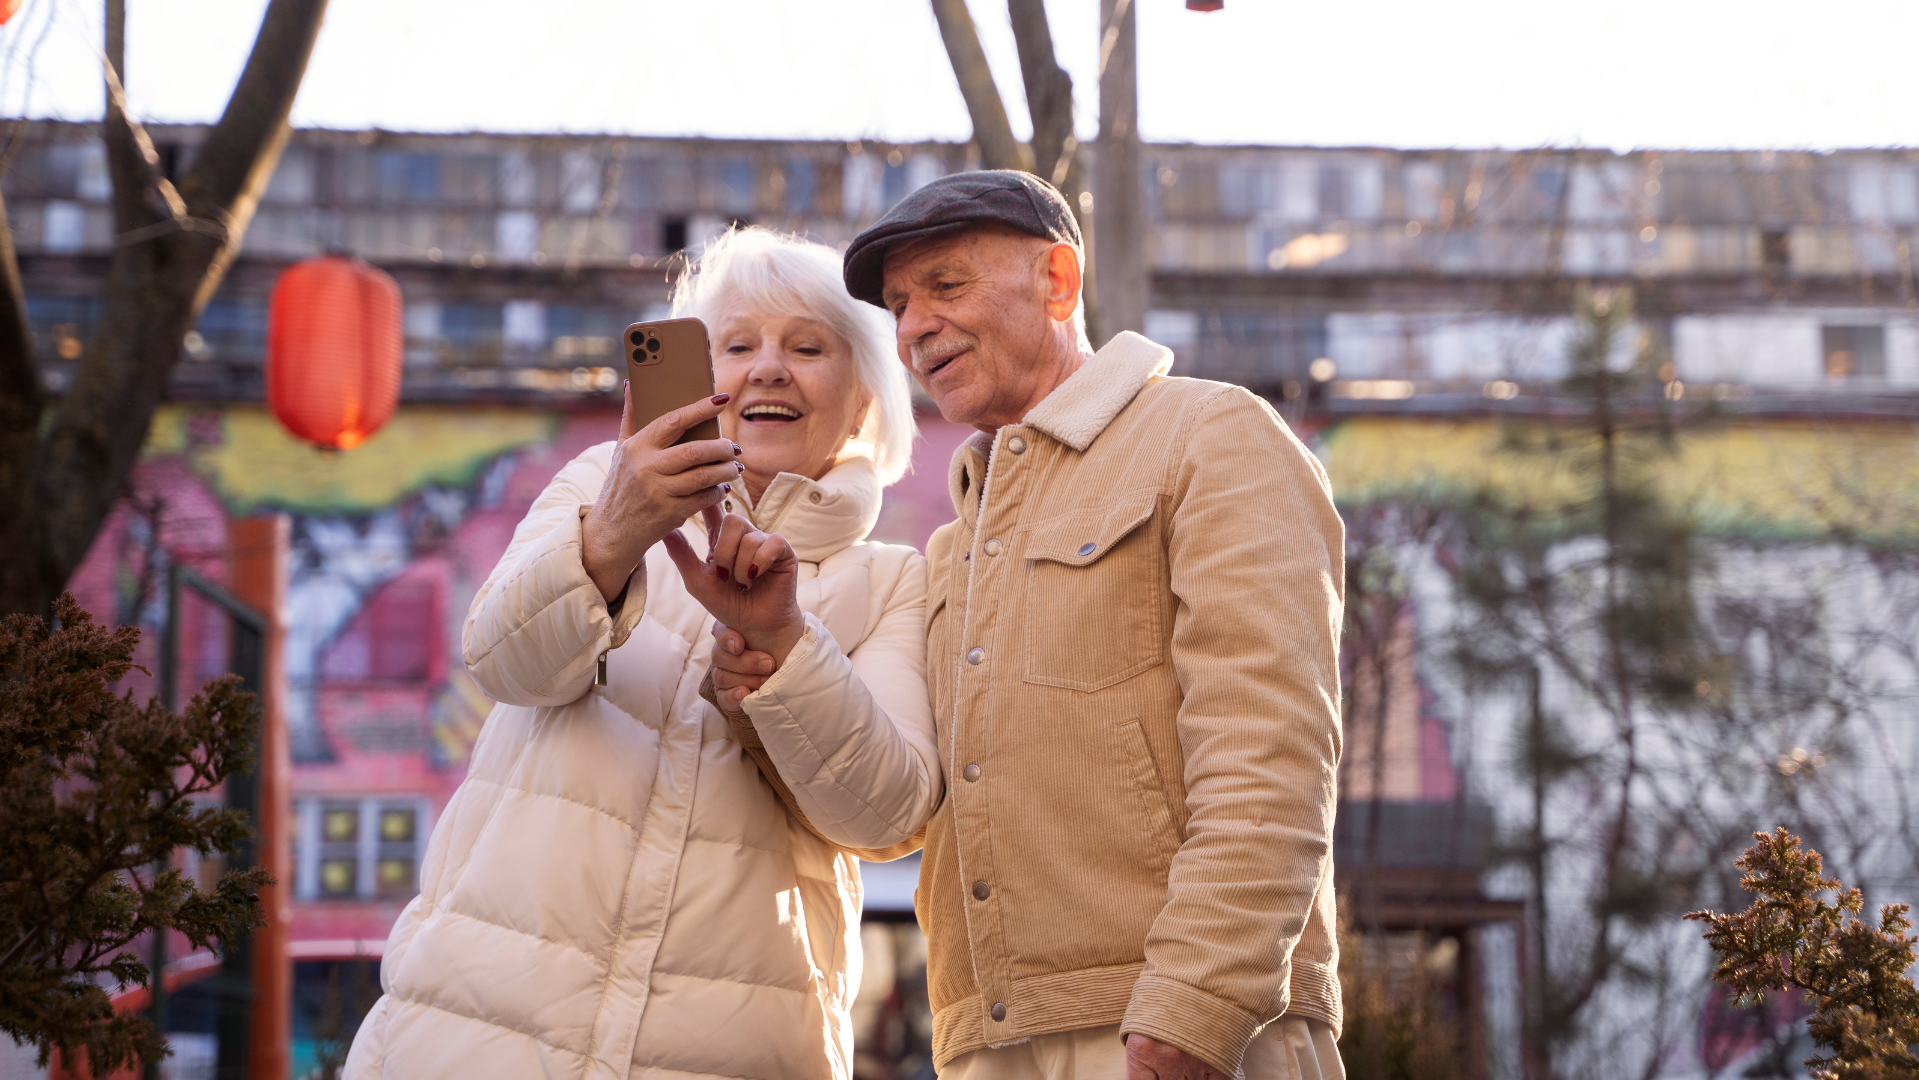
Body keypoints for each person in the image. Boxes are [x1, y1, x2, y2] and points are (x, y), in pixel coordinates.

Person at [711, 171, 1347, 1080]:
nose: (914, 328)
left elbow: (1270, 747)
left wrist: (1196, 1006)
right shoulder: (949, 547)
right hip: (986, 1044)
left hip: (1174, 1030)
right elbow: (904, 819)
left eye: (946, 286)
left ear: (1058, 280)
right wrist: (771, 662)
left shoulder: (1210, 435)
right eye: (898, 306)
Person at [344, 227, 942, 1080]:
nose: (768, 368)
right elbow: (502, 662)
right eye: (736, 346)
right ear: (697, 378)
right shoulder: (598, 483)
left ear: (863, 404)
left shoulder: (894, 583)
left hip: (737, 1051)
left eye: (808, 347)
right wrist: (614, 539)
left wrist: (783, 651)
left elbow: (887, 818)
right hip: (480, 1030)